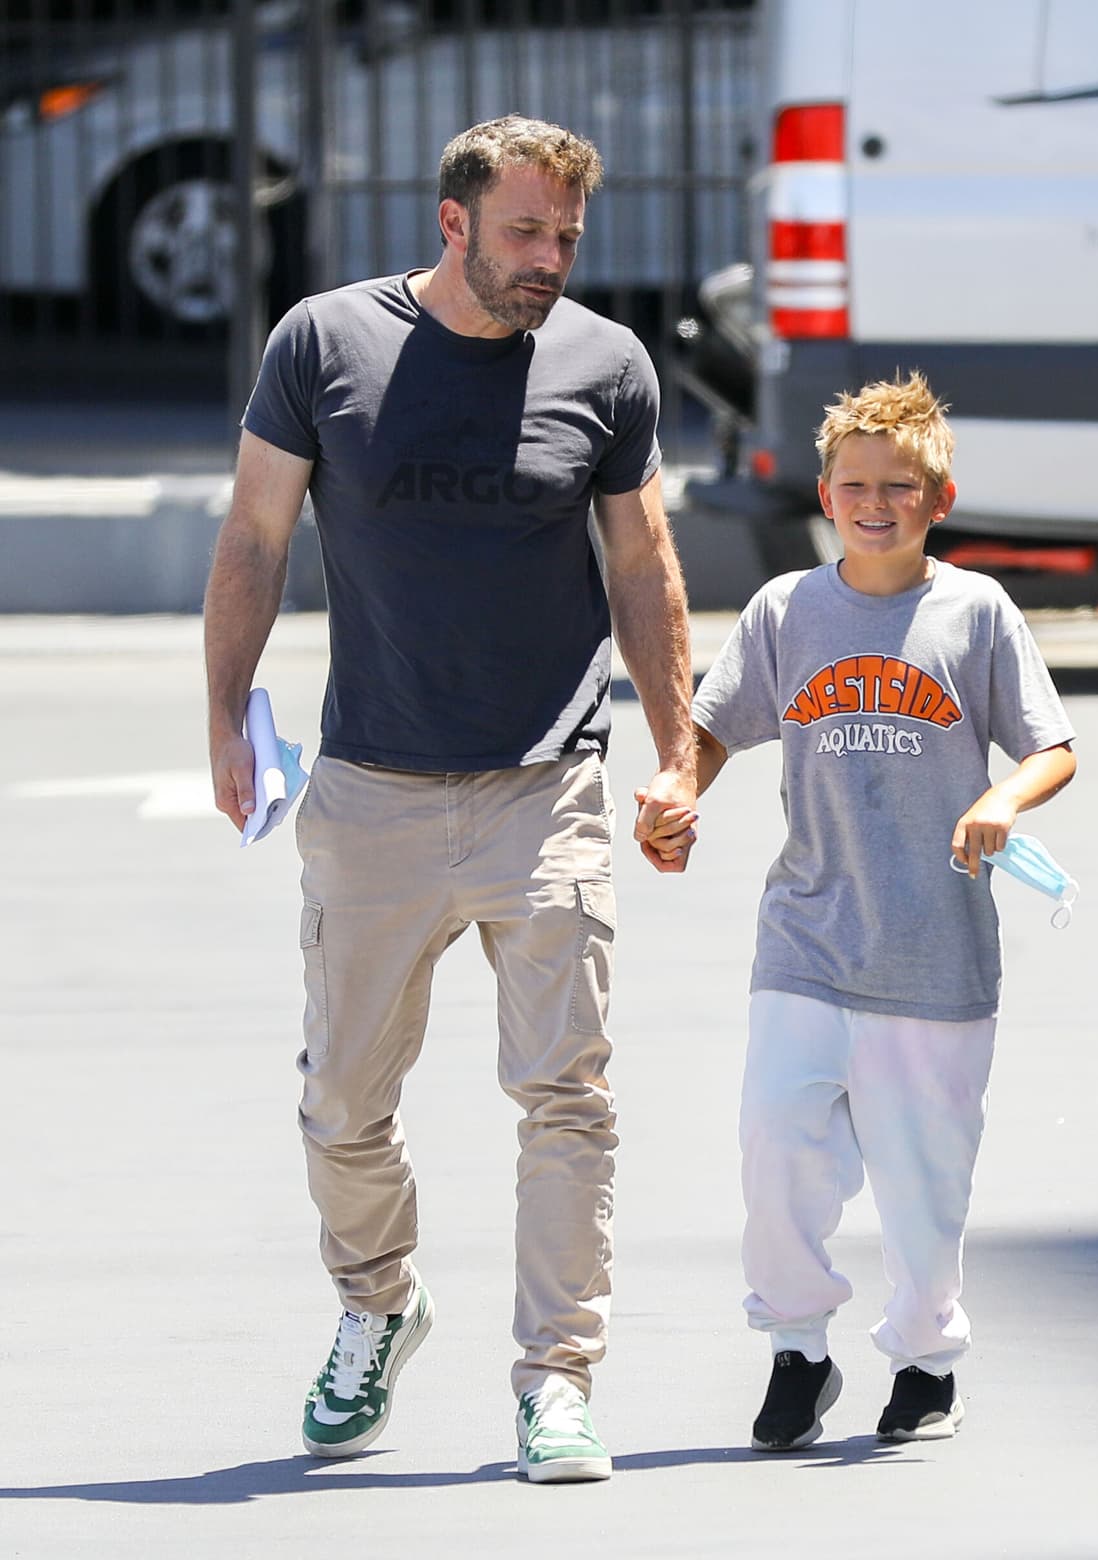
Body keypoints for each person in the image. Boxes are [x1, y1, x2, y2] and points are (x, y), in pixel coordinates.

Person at [203, 114, 696, 1484]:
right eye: (526, 232)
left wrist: (677, 752)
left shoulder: (606, 365)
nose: (549, 259)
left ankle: (559, 1380)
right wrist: (224, 716)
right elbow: (254, 534)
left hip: (547, 786)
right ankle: (378, 1302)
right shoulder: (324, 345)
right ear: (455, 222)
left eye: (567, 238)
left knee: (567, 1098)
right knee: (341, 1106)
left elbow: (642, 563)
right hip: (372, 788)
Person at [643, 372, 1076, 1450]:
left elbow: (1050, 748)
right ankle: (796, 1349)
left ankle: (925, 1365)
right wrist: (676, 790)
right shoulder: (786, 609)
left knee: (924, 1185)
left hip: (934, 955)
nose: (874, 504)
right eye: (854, 485)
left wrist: (999, 799)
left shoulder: (974, 612)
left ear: (940, 498)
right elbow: (712, 729)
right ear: (823, 495)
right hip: (806, 935)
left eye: (898, 486)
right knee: (775, 1151)